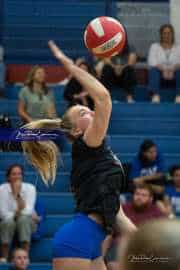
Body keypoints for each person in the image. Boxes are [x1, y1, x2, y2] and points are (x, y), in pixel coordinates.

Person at [21, 41, 136, 270]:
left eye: (88, 109)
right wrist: (67, 64)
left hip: (93, 241)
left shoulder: (100, 154)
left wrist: (148, 240)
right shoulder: (87, 144)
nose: (92, 111)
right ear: (76, 130)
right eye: (84, 111)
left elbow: (116, 212)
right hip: (78, 239)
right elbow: (103, 98)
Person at [105, 184, 165, 270]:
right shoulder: (123, 209)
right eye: (137, 194)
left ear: (151, 199)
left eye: (144, 195)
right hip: (120, 246)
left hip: (144, 248)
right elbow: (110, 232)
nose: (139, 197)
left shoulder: (158, 214)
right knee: (113, 266)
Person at [0, 164, 37, 262]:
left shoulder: (30, 188)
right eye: (14, 174)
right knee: (8, 222)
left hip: (27, 222)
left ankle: (24, 257)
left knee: (23, 220)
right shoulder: (2, 189)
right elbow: (3, 213)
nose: (17, 176)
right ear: (8, 177)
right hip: (8, 222)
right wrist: (18, 212)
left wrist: (17, 196)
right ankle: (4, 257)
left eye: (19, 174)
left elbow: (28, 211)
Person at [148, 24, 180, 103]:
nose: (167, 35)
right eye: (164, 33)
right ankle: (155, 96)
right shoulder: (154, 46)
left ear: (172, 34)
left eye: (169, 33)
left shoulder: (178, 47)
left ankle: (179, 96)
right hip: (159, 75)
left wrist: (173, 69)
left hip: (175, 75)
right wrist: (164, 70)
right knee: (153, 70)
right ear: (161, 34)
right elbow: (151, 62)